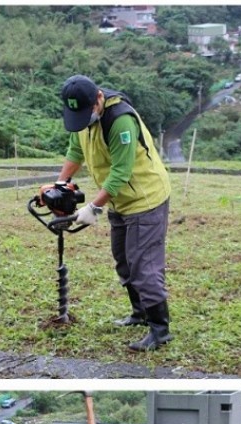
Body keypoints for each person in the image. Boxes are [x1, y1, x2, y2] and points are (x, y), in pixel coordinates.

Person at [51, 74, 174, 351]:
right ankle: (140, 313)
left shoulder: (120, 121)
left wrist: (93, 207)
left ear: (98, 99)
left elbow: (121, 171)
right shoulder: (83, 117)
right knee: (124, 260)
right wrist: (60, 185)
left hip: (145, 199)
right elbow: (75, 151)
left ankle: (160, 329)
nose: (83, 119)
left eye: (86, 112)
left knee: (144, 265)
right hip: (119, 201)